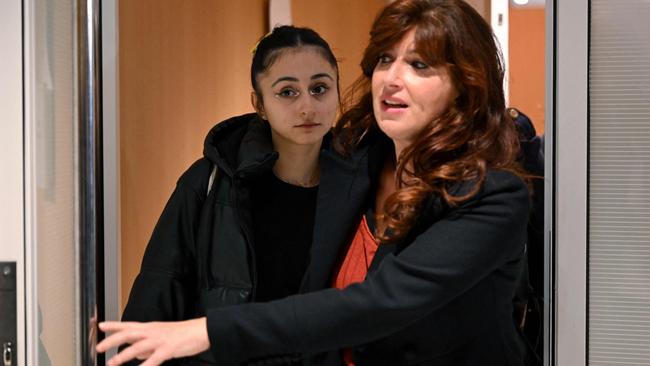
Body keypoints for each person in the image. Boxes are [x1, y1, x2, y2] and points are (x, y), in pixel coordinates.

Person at [97, 1, 530, 365]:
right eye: (385, 59)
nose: (392, 78)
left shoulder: (492, 195)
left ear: (464, 85)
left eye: (418, 64)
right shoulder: (354, 161)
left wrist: (209, 331)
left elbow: (377, 304)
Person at [118, 25, 340, 365]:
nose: (307, 106)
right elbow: (158, 294)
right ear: (259, 104)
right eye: (287, 92)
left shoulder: (358, 184)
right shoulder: (210, 180)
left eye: (319, 88)